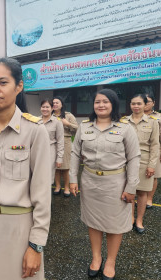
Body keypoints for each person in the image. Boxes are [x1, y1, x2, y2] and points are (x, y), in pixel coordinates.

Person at [0, 57, 51, 280]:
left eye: (3, 83)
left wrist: (36, 245)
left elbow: (42, 193)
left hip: (20, 227)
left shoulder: (34, 131)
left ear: (19, 86)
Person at [70, 89, 140, 280]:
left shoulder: (125, 128)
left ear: (113, 104)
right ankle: (96, 257)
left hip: (116, 184)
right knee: (93, 222)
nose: (101, 105)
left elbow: (134, 158)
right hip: (90, 182)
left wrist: (131, 187)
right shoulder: (84, 127)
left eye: (105, 102)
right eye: (97, 102)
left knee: (114, 225)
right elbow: (75, 153)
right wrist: (73, 179)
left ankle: (110, 261)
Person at [122, 94, 159, 234]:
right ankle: (130, 218)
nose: (136, 106)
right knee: (129, 190)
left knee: (142, 192)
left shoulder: (152, 122)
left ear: (145, 105)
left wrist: (152, 165)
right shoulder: (124, 121)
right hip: (126, 160)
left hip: (144, 160)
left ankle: (139, 220)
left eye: (139, 103)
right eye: (133, 103)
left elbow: (155, 145)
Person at [52, 96, 78, 196]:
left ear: (62, 104)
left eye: (57, 103)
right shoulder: (50, 115)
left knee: (66, 167)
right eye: (53, 103)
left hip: (66, 141)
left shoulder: (68, 115)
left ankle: (66, 187)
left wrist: (68, 124)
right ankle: (58, 186)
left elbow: (77, 129)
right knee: (56, 167)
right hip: (53, 143)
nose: (55, 104)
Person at [39, 99, 64, 183]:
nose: (45, 109)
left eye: (47, 107)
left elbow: (60, 141)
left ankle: (46, 195)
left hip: (50, 152)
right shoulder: (35, 121)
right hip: (37, 151)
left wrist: (59, 158)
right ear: (40, 108)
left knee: (47, 177)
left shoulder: (57, 122)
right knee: (36, 175)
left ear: (52, 108)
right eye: (43, 107)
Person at [143, 93, 161, 209]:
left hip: (155, 149)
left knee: (153, 175)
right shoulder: (135, 116)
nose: (145, 104)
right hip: (139, 150)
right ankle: (139, 196)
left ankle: (149, 198)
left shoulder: (159, 117)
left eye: (147, 101)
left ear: (153, 103)